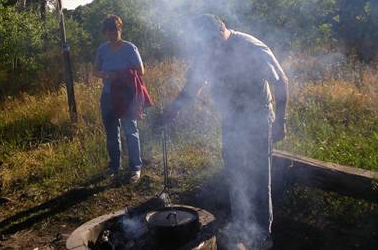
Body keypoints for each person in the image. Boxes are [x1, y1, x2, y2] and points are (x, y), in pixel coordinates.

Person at [158, 14, 288, 249]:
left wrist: (280, 121)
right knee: (235, 174)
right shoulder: (206, 52)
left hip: (258, 118)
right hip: (232, 121)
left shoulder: (251, 48)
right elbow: (193, 86)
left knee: (259, 178)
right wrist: (174, 109)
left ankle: (262, 237)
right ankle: (241, 227)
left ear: (221, 32)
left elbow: (281, 82)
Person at [93, 15, 151, 183]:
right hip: (108, 96)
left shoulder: (130, 48)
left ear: (120, 29)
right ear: (105, 32)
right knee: (111, 133)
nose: (112, 34)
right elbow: (95, 71)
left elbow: (141, 70)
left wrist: (121, 75)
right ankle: (114, 167)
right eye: (109, 31)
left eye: (115, 30)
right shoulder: (102, 49)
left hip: (127, 96)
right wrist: (104, 74)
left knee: (130, 131)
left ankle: (135, 168)